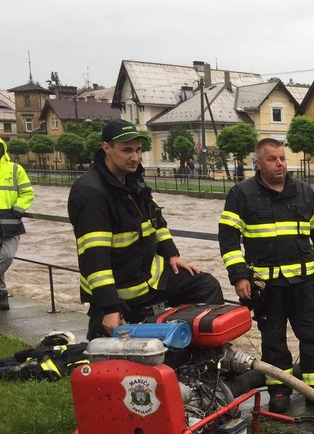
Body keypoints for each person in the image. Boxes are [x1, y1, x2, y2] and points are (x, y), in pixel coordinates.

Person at [218, 137, 314, 413]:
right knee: (274, 340)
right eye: (272, 159)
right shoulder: (241, 194)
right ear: (258, 163)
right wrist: (239, 276)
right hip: (268, 286)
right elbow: (228, 240)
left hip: (304, 283)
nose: (280, 164)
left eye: (283, 158)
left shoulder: (303, 191)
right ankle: (279, 391)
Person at [68, 119, 224, 340]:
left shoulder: (133, 181)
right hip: (121, 290)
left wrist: (172, 254)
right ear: (107, 148)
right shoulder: (90, 194)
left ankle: (196, 353)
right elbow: (95, 259)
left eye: (139, 150)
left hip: (150, 277)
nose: (135, 157)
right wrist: (111, 308)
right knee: (116, 344)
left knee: (206, 286)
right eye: (127, 150)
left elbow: (156, 221)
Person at [0, 138, 34, 311]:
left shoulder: (15, 169)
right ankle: (1, 294)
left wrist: (19, 208)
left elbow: (27, 191)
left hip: (10, 223)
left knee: (7, 256)